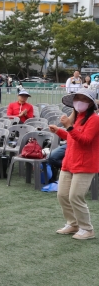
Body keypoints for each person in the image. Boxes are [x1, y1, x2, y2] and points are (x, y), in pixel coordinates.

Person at [49, 89, 99, 240]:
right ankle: (73, 224)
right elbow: (72, 138)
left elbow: (85, 140)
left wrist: (69, 127)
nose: (79, 101)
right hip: (70, 162)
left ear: (90, 103)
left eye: (83, 98)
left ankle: (87, 229)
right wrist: (59, 130)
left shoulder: (95, 119)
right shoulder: (78, 117)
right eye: (77, 98)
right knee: (62, 195)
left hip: (85, 163)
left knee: (75, 196)